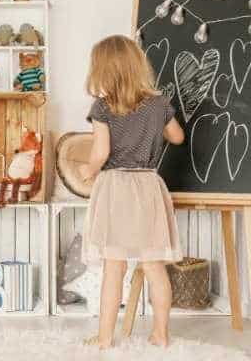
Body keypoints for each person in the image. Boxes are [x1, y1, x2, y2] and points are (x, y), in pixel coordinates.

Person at [79, 35, 185, 349]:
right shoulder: (159, 104)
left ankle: (104, 339)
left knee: (115, 267)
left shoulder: (103, 107)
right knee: (154, 265)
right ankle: (161, 334)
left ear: (102, 70)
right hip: (149, 185)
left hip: (116, 188)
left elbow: (101, 152)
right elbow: (177, 137)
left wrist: (88, 170)